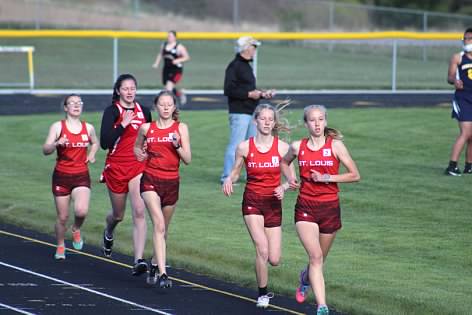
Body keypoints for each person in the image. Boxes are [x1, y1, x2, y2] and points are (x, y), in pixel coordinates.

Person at [280, 105, 360, 315]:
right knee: (315, 257)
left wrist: (326, 177)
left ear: (325, 121)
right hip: (306, 206)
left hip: (330, 208)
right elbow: (284, 162)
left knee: (319, 259)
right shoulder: (298, 147)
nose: (317, 124)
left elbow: (354, 174)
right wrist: (290, 178)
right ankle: (322, 306)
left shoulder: (336, 146)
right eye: (312, 120)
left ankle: (305, 278)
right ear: (306, 123)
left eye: (320, 119)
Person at [222, 103, 294, 308]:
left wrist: (284, 186)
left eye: (270, 119)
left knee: (274, 259)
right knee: (261, 249)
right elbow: (236, 170)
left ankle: (266, 281)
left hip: (273, 204)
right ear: (256, 121)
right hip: (252, 201)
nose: (267, 122)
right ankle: (262, 293)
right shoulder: (244, 147)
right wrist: (229, 179)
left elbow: (293, 179)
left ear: (274, 123)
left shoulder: (282, 148)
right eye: (263, 118)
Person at [134, 90, 191, 288]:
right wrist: (139, 154)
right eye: (162, 104)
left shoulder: (180, 128)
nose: (166, 107)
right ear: (156, 107)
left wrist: (177, 145)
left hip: (172, 182)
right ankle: (163, 273)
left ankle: (153, 262)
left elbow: (188, 159)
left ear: (174, 107)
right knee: (158, 225)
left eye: (169, 104)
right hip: (150, 180)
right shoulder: (146, 128)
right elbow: (136, 147)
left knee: (163, 230)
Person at [99, 74, 152, 276]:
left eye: (133, 88)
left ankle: (138, 260)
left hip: (138, 166)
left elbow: (150, 137)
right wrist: (123, 125)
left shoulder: (144, 111)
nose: (129, 92)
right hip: (116, 167)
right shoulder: (112, 111)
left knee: (139, 210)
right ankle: (109, 231)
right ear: (118, 91)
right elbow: (105, 142)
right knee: (118, 215)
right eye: (125, 88)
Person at [42, 94, 99, 260]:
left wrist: (92, 154)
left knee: (81, 210)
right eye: (72, 103)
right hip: (61, 176)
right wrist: (56, 144)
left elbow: (95, 142)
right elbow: (45, 150)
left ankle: (75, 228)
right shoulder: (57, 127)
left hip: (81, 174)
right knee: (62, 216)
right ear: (65, 108)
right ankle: (60, 245)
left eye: (79, 102)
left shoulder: (87, 127)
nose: (76, 105)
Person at [220, 35, 275, 184]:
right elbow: (229, 89)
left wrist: (262, 94)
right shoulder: (235, 66)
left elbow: (248, 89)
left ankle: (251, 175)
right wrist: (249, 94)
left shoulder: (246, 66)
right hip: (239, 112)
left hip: (251, 111)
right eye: (253, 47)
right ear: (246, 48)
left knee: (252, 145)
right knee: (237, 145)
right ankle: (227, 177)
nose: (255, 50)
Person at [445, 27, 472, 176]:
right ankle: (452, 166)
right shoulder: (458, 57)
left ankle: (469, 166)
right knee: (466, 133)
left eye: (469, 39)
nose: (466, 41)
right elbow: (449, 77)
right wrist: (454, 80)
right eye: (465, 39)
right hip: (463, 99)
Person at [152, 30, 190, 106]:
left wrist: (177, 60)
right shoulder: (164, 45)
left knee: (169, 88)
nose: (169, 38)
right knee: (168, 87)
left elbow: (187, 57)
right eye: (168, 36)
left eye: (171, 36)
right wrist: (156, 63)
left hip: (176, 70)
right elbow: (160, 54)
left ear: (175, 37)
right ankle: (180, 94)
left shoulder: (179, 46)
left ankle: (171, 105)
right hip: (166, 69)